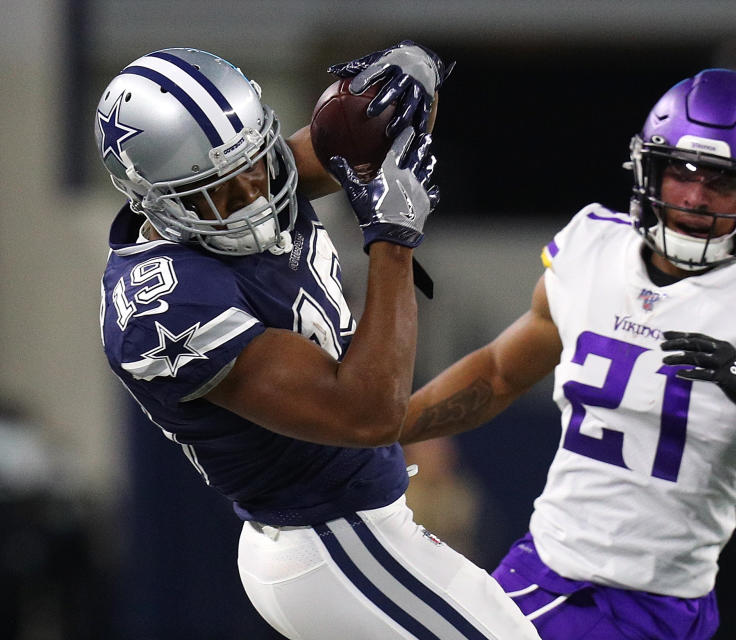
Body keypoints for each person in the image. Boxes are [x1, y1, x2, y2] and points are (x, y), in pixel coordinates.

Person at [401, 68, 736, 639]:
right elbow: (499, 373)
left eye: (722, 181)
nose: (695, 196)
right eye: (682, 172)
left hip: (651, 605)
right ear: (651, 167)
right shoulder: (594, 248)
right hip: (537, 570)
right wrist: (381, 430)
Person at [95, 44, 541, 640]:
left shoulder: (252, 177)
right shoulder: (168, 304)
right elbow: (369, 413)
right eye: (216, 190)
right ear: (152, 196)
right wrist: (392, 240)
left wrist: (410, 77)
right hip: (328, 538)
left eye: (253, 164)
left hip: (351, 526)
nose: (252, 196)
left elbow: (370, 136)